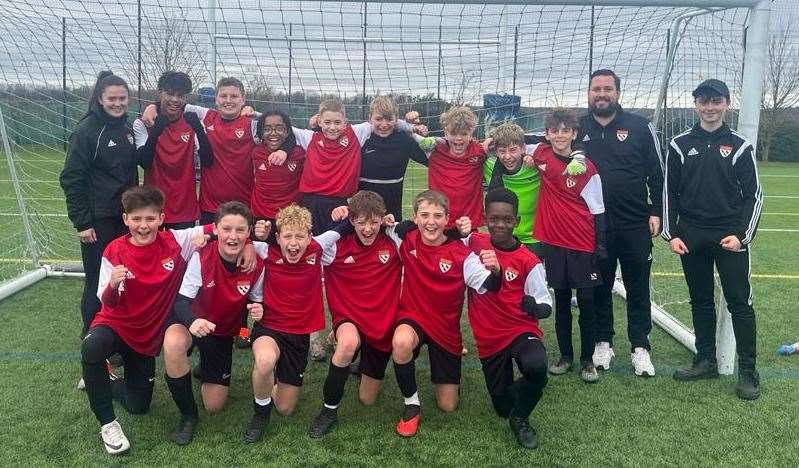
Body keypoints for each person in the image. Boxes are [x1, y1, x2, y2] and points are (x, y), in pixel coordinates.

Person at [79, 185, 215, 455]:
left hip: (146, 337)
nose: (144, 226)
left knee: (138, 406)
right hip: (115, 325)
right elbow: (108, 303)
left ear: (161, 219)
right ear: (125, 219)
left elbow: (223, 227)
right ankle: (107, 424)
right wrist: (112, 285)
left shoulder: (176, 241)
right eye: (137, 219)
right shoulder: (114, 251)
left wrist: (247, 244)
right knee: (92, 346)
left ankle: (105, 376)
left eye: (150, 218)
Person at [662, 78, 763, 400]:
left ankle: (748, 371)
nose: (709, 107)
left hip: (729, 234)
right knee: (700, 300)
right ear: (696, 105)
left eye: (715, 101)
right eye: (703, 101)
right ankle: (705, 360)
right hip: (692, 234)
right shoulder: (679, 144)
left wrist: (742, 236)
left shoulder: (740, 145)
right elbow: (669, 193)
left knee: (739, 302)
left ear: (726, 104)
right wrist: (671, 234)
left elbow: (754, 196)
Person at [389, 190, 501, 438]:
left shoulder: (462, 254)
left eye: (438, 216)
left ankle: (448, 378)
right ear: (415, 218)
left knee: (447, 406)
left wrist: (496, 270)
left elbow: (490, 286)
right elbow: (373, 225)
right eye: (425, 215)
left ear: (448, 218)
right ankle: (411, 404)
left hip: (445, 330)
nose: (431, 221)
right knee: (401, 341)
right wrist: (345, 213)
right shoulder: (406, 238)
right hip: (413, 318)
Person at [578, 69, 663, 376]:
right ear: (589, 93)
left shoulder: (640, 126)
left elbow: (657, 173)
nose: (602, 94)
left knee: (638, 286)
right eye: (596, 89)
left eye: (607, 89)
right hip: (593, 224)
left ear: (617, 93)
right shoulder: (578, 128)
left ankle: (640, 347)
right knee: (600, 285)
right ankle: (603, 341)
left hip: (634, 223)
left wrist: (656, 211)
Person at [243, 205, 349, 443]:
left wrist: (345, 209)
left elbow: (347, 225)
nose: (293, 243)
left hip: (299, 334)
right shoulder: (264, 250)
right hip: (269, 327)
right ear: (277, 238)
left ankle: (270, 382)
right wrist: (250, 241)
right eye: (287, 236)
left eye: (300, 236)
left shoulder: (319, 246)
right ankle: (260, 414)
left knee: (285, 408)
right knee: (265, 360)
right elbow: (234, 239)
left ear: (309, 237)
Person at [161, 201, 265, 446]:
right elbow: (182, 301)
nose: (233, 236)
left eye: (240, 230)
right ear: (215, 229)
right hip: (192, 322)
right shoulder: (201, 256)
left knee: (215, 406)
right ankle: (187, 415)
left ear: (249, 232)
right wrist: (193, 321)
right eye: (226, 229)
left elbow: (258, 302)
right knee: (174, 342)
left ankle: (203, 367)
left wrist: (259, 310)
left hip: (221, 333)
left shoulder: (257, 263)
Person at [307, 190, 402, 438]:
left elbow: (419, 233)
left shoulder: (393, 242)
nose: (368, 229)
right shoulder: (337, 246)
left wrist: (393, 225)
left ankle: (359, 363)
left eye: (374, 222)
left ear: (383, 219)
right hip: (349, 317)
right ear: (352, 221)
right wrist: (338, 224)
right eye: (361, 222)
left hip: (382, 326)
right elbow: (315, 245)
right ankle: (328, 411)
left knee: (367, 399)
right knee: (348, 343)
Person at [60, 71, 138, 371]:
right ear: (100, 99)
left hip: (124, 221)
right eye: (112, 99)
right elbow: (71, 178)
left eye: (122, 98)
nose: (118, 103)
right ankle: (91, 346)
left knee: (123, 281)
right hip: (98, 223)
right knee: (98, 282)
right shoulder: (88, 131)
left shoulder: (128, 128)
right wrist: (82, 222)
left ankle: (117, 341)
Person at [466, 188, 551, 449]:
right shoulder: (474, 245)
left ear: (517, 221)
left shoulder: (529, 260)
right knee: (502, 407)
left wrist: (534, 308)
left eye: (507, 219)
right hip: (489, 336)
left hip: (519, 329)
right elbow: (442, 235)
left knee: (536, 366)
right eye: (494, 219)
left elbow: (546, 304)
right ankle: (510, 399)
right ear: (485, 218)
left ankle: (522, 418)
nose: (500, 224)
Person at [533, 109, 606, 383]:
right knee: (561, 302)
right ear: (548, 133)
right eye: (555, 130)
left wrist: (601, 245)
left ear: (574, 134)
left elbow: (598, 209)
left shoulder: (587, 168)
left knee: (587, 303)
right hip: (554, 244)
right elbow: (519, 142)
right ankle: (565, 356)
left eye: (566, 130)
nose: (560, 135)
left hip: (583, 243)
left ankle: (588, 361)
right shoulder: (541, 155)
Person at [142, 77, 258, 224]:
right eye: (223, 96)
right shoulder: (207, 116)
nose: (228, 100)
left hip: (243, 206)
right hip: (210, 208)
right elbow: (174, 103)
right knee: (208, 247)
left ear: (243, 100)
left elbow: (280, 126)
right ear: (216, 99)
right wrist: (152, 106)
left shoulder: (253, 125)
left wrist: (255, 113)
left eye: (234, 96)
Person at [133, 71, 213, 230]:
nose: (175, 100)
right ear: (159, 92)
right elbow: (145, 163)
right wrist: (156, 130)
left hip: (185, 210)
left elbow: (208, 161)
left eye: (181, 95)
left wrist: (198, 129)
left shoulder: (192, 121)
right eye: (170, 94)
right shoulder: (142, 123)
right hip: (153, 209)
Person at [358, 96, 428, 218]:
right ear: (370, 118)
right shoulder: (361, 138)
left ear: (396, 119)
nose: (384, 124)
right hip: (362, 210)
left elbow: (431, 159)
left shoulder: (404, 140)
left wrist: (418, 129)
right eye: (379, 119)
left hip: (392, 211)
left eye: (389, 119)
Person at [418, 106, 487, 228]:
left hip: (469, 223)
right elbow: (405, 133)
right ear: (445, 132)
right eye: (454, 133)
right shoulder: (434, 150)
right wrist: (413, 125)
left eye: (464, 133)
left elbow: (506, 143)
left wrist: (491, 139)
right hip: (440, 223)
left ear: (471, 133)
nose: (459, 138)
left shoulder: (479, 151)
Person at [484, 122, 544, 257]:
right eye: (502, 151)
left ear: (523, 148)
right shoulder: (489, 166)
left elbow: (553, 140)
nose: (507, 156)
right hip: (502, 237)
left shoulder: (536, 165)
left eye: (512, 150)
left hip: (533, 239)